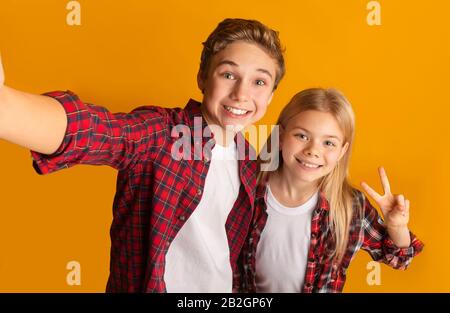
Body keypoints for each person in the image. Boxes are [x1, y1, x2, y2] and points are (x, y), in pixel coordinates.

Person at [0, 18, 285, 292]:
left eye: (259, 82)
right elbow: (98, 131)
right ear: (202, 78)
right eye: (228, 74)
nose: (241, 94)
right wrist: (6, 107)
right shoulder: (163, 134)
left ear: (271, 95)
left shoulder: (250, 160)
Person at [235, 88, 424, 293]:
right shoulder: (246, 187)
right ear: (280, 136)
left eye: (328, 143)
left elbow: (400, 259)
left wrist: (397, 226)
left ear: (342, 151)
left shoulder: (351, 207)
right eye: (302, 136)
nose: (313, 151)